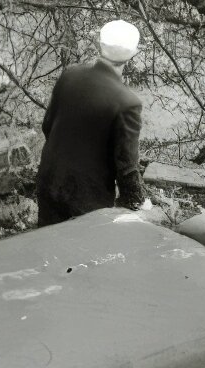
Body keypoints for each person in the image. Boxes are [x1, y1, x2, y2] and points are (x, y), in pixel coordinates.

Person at [36, 19, 149, 226]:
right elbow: (126, 168)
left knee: (45, 251)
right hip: (86, 200)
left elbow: (47, 127)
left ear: (100, 44)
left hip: (48, 182)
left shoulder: (70, 75)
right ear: (133, 52)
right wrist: (138, 204)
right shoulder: (127, 103)